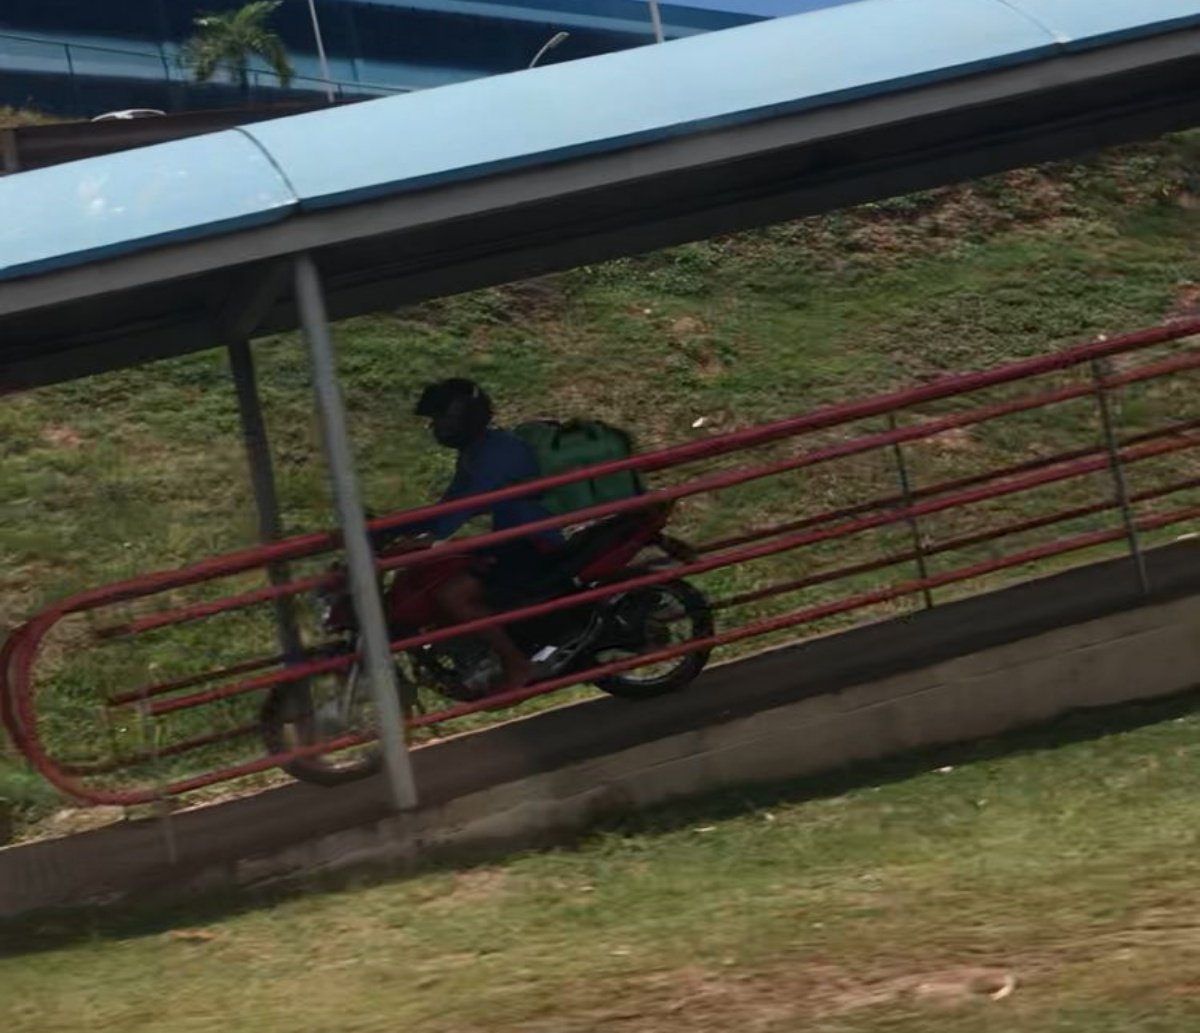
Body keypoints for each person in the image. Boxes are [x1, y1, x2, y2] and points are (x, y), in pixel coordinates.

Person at [376, 378, 562, 690]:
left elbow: (461, 510)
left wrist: (422, 541)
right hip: (504, 540)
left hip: (530, 542)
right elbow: (445, 507)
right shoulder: (476, 452)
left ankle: (517, 666)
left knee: (453, 595)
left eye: (442, 419)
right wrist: (385, 529)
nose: (436, 427)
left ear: (465, 417)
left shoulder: (497, 454)